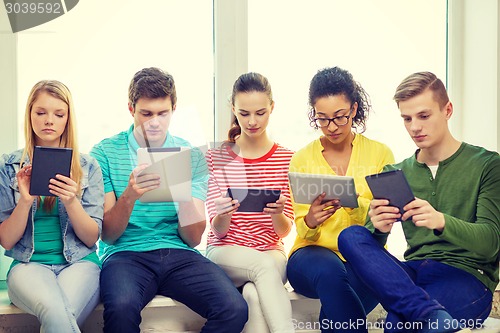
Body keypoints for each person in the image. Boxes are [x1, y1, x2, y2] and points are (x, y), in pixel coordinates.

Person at [338, 71, 500, 333]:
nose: (414, 127)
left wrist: (441, 221)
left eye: (424, 116)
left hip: (468, 277)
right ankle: (430, 315)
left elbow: (491, 244)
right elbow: (372, 249)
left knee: (397, 328)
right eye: (407, 118)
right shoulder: (396, 172)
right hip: (413, 276)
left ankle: (427, 315)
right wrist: (379, 229)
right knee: (351, 236)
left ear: (447, 110)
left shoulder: (487, 165)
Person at [90, 67, 248, 333]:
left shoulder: (190, 156)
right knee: (120, 308)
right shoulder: (104, 152)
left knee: (234, 308)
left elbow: (193, 238)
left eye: (163, 113)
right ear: (131, 109)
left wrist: (182, 191)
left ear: (174, 108)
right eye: (146, 114)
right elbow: (108, 235)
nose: (155, 122)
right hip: (125, 254)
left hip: (178, 252)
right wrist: (129, 195)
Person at [285, 67, 395, 333]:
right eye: (322, 119)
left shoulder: (380, 154)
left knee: (341, 307)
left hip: (364, 257)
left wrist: (356, 205)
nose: (331, 127)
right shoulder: (302, 158)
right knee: (331, 273)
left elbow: (388, 219)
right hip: (310, 256)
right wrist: (311, 219)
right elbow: (302, 228)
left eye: (339, 117)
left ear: (354, 109)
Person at [0, 80, 103, 332]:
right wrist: (25, 201)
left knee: (59, 316)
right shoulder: (9, 166)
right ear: (29, 114)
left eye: (59, 114)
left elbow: (91, 237)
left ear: (68, 119)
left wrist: (71, 201)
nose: (49, 120)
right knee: (57, 312)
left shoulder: (88, 167)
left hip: (80, 263)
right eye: (41, 112)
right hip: (28, 265)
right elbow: (6, 240)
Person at [205, 72, 295, 333]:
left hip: (271, 251)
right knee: (262, 267)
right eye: (244, 114)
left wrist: (278, 213)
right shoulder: (217, 155)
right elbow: (217, 230)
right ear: (233, 109)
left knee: (255, 296)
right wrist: (224, 213)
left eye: (260, 113)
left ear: (272, 108)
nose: (252, 121)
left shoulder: (287, 158)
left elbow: (284, 231)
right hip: (226, 250)